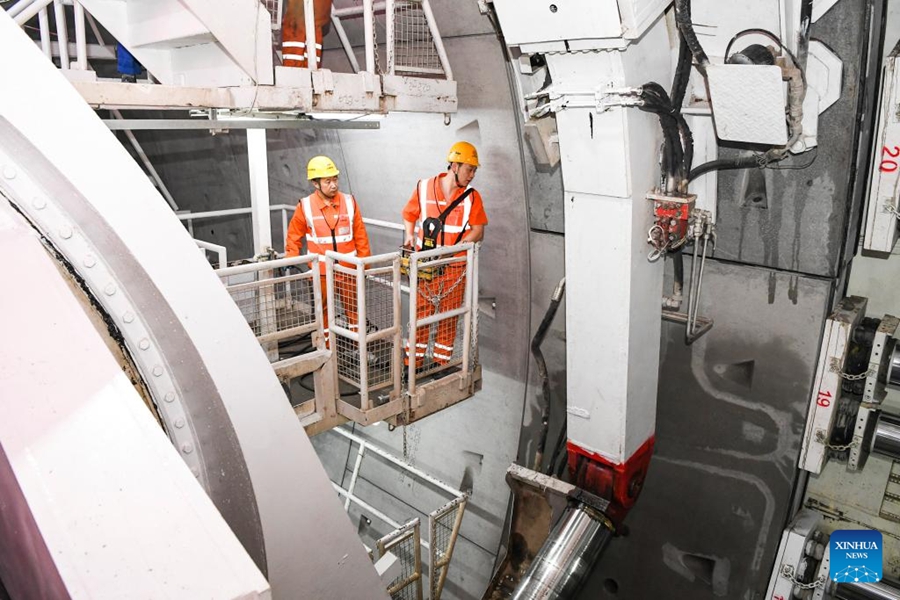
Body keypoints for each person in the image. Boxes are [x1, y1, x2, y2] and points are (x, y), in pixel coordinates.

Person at [401, 142, 488, 369]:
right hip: (426, 266)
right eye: (469, 169)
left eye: (475, 170)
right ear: (455, 165)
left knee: (449, 319)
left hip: (454, 269)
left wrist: (455, 249)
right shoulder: (424, 187)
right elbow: (409, 214)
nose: (472, 175)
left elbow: (478, 230)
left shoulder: (472, 197)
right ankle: (412, 364)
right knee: (420, 316)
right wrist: (409, 236)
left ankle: (440, 364)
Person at [286, 156, 371, 344]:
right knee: (322, 311)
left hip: (348, 270)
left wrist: (365, 263)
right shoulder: (305, 206)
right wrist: (291, 262)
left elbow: (360, 234)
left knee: (354, 309)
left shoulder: (349, 202)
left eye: (335, 179)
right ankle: (326, 348)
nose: (333, 185)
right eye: (328, 181)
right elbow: (293, 237)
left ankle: (359, 347)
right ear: (316, 183)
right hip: (321, 273)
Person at [281, 0, 333, 68]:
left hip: (300, 10)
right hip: (321, 7)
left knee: (294, 27)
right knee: (314, 31)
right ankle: (310, 74)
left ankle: (294, 72)